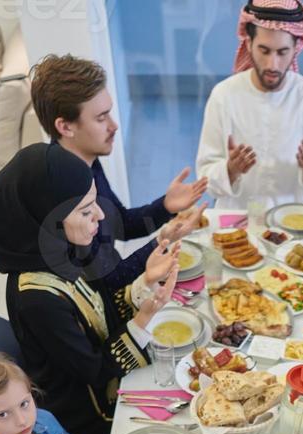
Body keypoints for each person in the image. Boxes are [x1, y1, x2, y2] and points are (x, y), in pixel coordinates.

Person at [0, 142, 179, 434]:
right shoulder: (37, 298)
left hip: (106, 378)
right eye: (85, 210)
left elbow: (100, 304)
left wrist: (145, 284)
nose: (98, 216)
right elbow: (95, 371)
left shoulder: (59, 249)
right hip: (87, 418)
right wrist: (142, 320)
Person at [30, 53, 208, 292]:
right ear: (65, 127)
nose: (113, 126)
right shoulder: (65, 200)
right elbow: (109, 283)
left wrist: (165, 206)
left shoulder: (85, 163)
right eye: (101, 118)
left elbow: (120, 224)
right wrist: (160, 241)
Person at [196, 0, 303, 209]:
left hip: (291, 225)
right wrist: (230, 170)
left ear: (295, 48)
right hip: (235, 226)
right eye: (264, 50)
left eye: (282, 52)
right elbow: (206, 177)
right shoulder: (224, 95)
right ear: (249, 43)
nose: (273, 65)